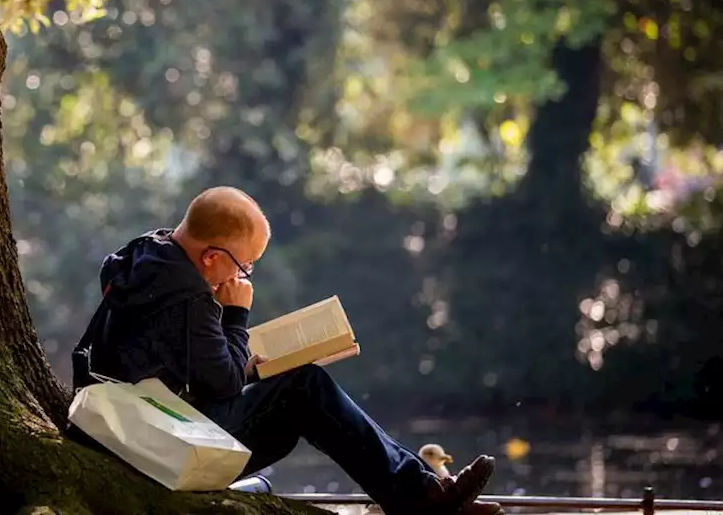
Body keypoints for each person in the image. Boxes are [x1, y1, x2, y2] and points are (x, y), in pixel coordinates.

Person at [70, 186, 504, 515]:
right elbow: (221, 385)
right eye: (244, 266)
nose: (243, 277)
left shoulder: (147, 254)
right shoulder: (190, 295)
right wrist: (235, 314)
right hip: (153, 448)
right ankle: (424, 497)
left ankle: (426, 492)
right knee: (304, 385)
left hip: (131, 425)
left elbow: (181, 364)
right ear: (210, 257)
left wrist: (248, 369)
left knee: (295, 392)